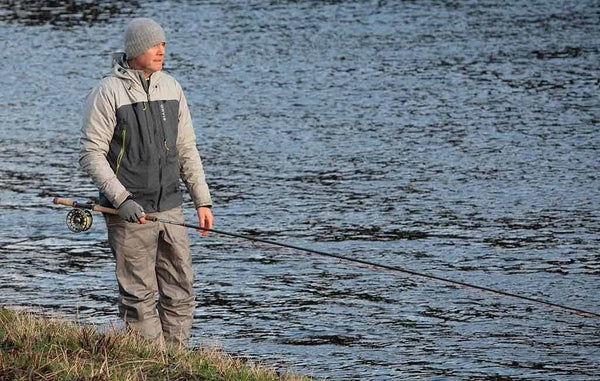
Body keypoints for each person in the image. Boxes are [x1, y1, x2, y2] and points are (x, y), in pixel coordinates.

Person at [79, 18, 213, 346]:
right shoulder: (107, 92)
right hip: (129, 214)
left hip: (172, 209)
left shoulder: (171, 87)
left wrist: (202, 199)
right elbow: (90, 154)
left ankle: (175, 363)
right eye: (155, 45)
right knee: (138, 299)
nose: (162, 50)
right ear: (137, 48)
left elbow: (186, 148)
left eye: (164, 44)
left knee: (181, 292)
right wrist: (121, 199)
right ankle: (152, 365)